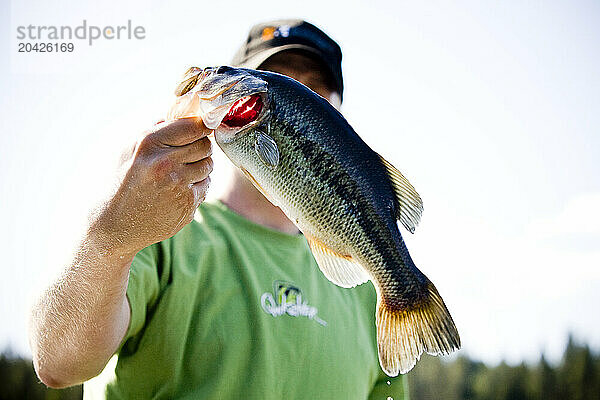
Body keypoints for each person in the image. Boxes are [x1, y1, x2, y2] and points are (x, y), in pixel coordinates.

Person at [29, 19, 409, 399]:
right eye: (274, 79)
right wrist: (111, 236)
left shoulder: (370, 292)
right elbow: (58, 363)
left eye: (313, 92)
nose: (294, 100)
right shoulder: (151, 232)